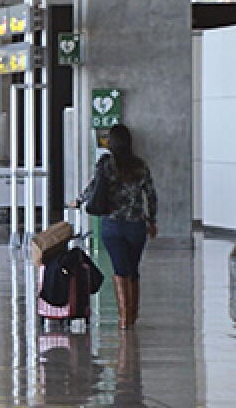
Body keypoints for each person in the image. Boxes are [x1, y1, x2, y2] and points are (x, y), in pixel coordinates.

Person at [72, 124, 157, 329]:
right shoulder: (140, 166)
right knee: (133, 269)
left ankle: (124, 318)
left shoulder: (106, 165)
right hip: (136, 226)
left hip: (112, 225)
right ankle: (132, 315)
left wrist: (78, 201)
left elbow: (93, 188)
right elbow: (151, 195)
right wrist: (151, 220)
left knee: (120, 269)